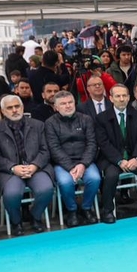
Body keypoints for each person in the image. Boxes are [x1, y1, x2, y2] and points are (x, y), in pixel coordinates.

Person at [0, 95, 55, 236]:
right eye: (10, 108)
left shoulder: (38, 125)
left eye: (17, 106)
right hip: (10, 171)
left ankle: (36, 216)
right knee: (12, 194)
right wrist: (13, 167)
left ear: (22, 107)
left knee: (46, 189)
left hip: (36, 168)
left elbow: (45, 150)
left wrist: (34, 165)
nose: (15, 110)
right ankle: (16, 221)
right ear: (3, 111)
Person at [95, 84, 137, 221]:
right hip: (112, 159)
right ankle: (108, 210)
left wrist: (136, 158)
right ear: (111, 98)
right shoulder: (102, 118)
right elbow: (104, 144)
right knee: (110, 175)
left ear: (128, 98)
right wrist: (119, 160)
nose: (121, 99)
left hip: (134, 156)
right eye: (118, 96)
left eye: (124, 96)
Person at [44, 91, 101, 227]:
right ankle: (72, 211)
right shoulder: (50, 123)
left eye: (70, 102)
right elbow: (54, 148)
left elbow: (92, 144)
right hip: (62, 164)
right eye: (63, 104)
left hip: (85, 160)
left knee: (95, 179)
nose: (68, 106)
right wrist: (70, 167)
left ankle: (86, 208)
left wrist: (82, 164)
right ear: (56, 107)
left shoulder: (86, 119)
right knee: (65, 182)